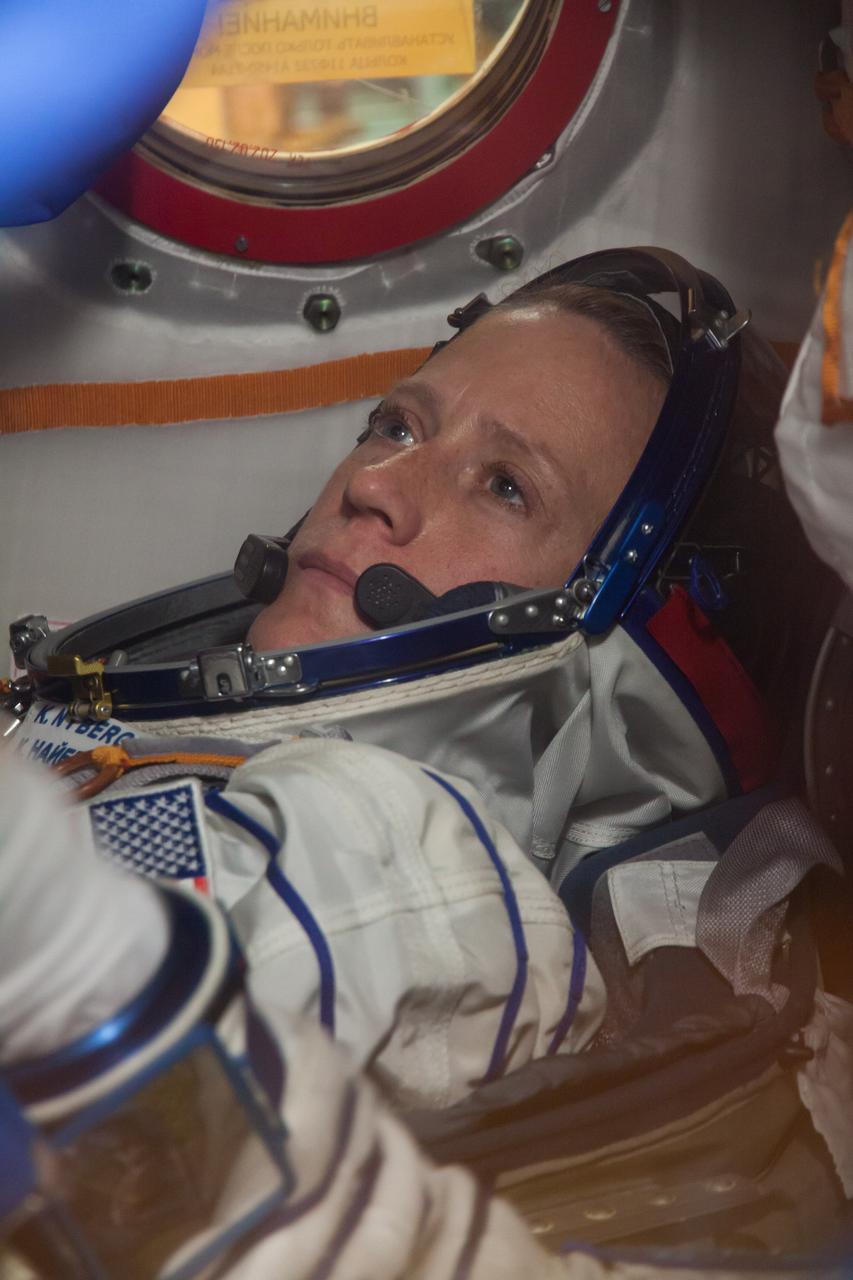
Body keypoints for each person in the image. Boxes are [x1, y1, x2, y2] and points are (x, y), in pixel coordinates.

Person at [1, 239, 849, 1277]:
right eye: (395, 423)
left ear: (645, 659)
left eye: (504, 484)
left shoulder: (392, 845)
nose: (375, 481)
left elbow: (149, 1139)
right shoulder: (172, 728)